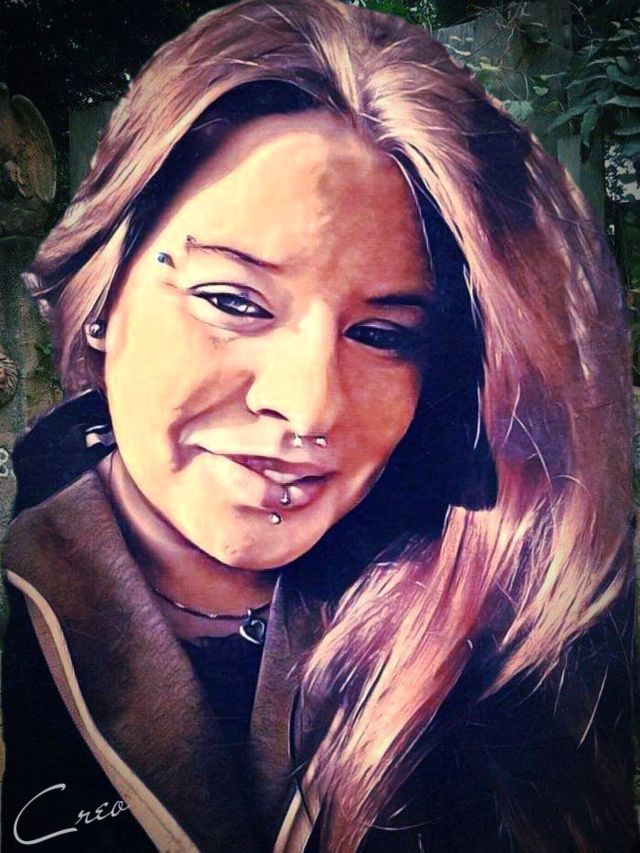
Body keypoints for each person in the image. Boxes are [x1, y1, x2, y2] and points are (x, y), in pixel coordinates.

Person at [1, 0, 637, 850]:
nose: (308, 407)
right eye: (234, 301)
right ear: (102, 294)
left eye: (382, 335)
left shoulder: (518, 623)